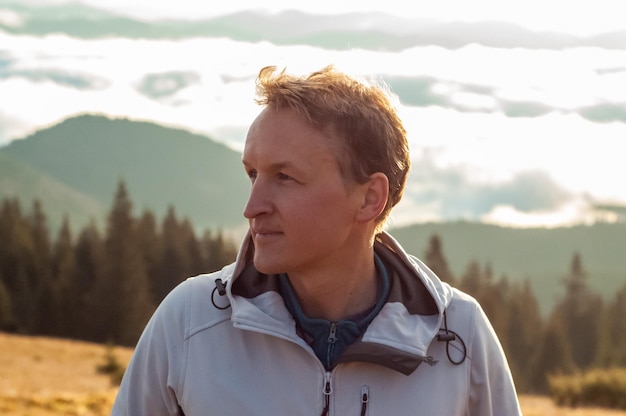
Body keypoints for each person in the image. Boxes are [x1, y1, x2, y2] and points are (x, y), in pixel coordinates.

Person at [112, 65, 522, 415]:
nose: (252, 206)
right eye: (253, 174)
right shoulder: (189, 322)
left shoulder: (460, 336)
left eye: (285, 178)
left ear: (369, 198)